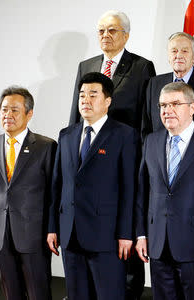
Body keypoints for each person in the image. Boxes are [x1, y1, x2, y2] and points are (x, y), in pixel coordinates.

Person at [47, 72, 139, 300]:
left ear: (107, 101)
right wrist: (52, 227)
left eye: (92, 94)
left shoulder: (125, 135)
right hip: (70, 234)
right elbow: (57, 185)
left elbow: (129, 189)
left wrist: (126, 234)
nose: (85, 100)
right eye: (81, 95)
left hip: (107, 237)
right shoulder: (66, 135)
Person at [135, 82, 194, 299]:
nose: (168, 110)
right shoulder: (151, 141)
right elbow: (142, 192)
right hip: (158, 245)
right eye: (163, 105)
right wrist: (141, 234)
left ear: (192, 107)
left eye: (175, 104)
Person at [0, 86, 56, 300]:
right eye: (4, 110)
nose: (7, 115)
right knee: (11, 293)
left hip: (34, 235)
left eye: (14, 110)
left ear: (29, 114)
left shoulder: (46, 146)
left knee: (38, 292)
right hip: (0, 234)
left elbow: (52, 194)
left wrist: (52, 229)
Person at [69, 10, 156, 132]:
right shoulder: (86, 66)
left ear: (126, 36)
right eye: (101, 31)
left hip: (124, 140)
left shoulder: (142, 67)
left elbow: (146, 114)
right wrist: (71, 137)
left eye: (112, 30)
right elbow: (76, 110)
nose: (105, 35)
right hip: (89, 138)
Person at [142, 32, 194, 138]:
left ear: (193, 56)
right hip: (158, 151)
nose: (178, 55)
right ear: (168, 56)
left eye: (184, 51)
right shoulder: (154, 83)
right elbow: (146, 126)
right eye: (174, 51)